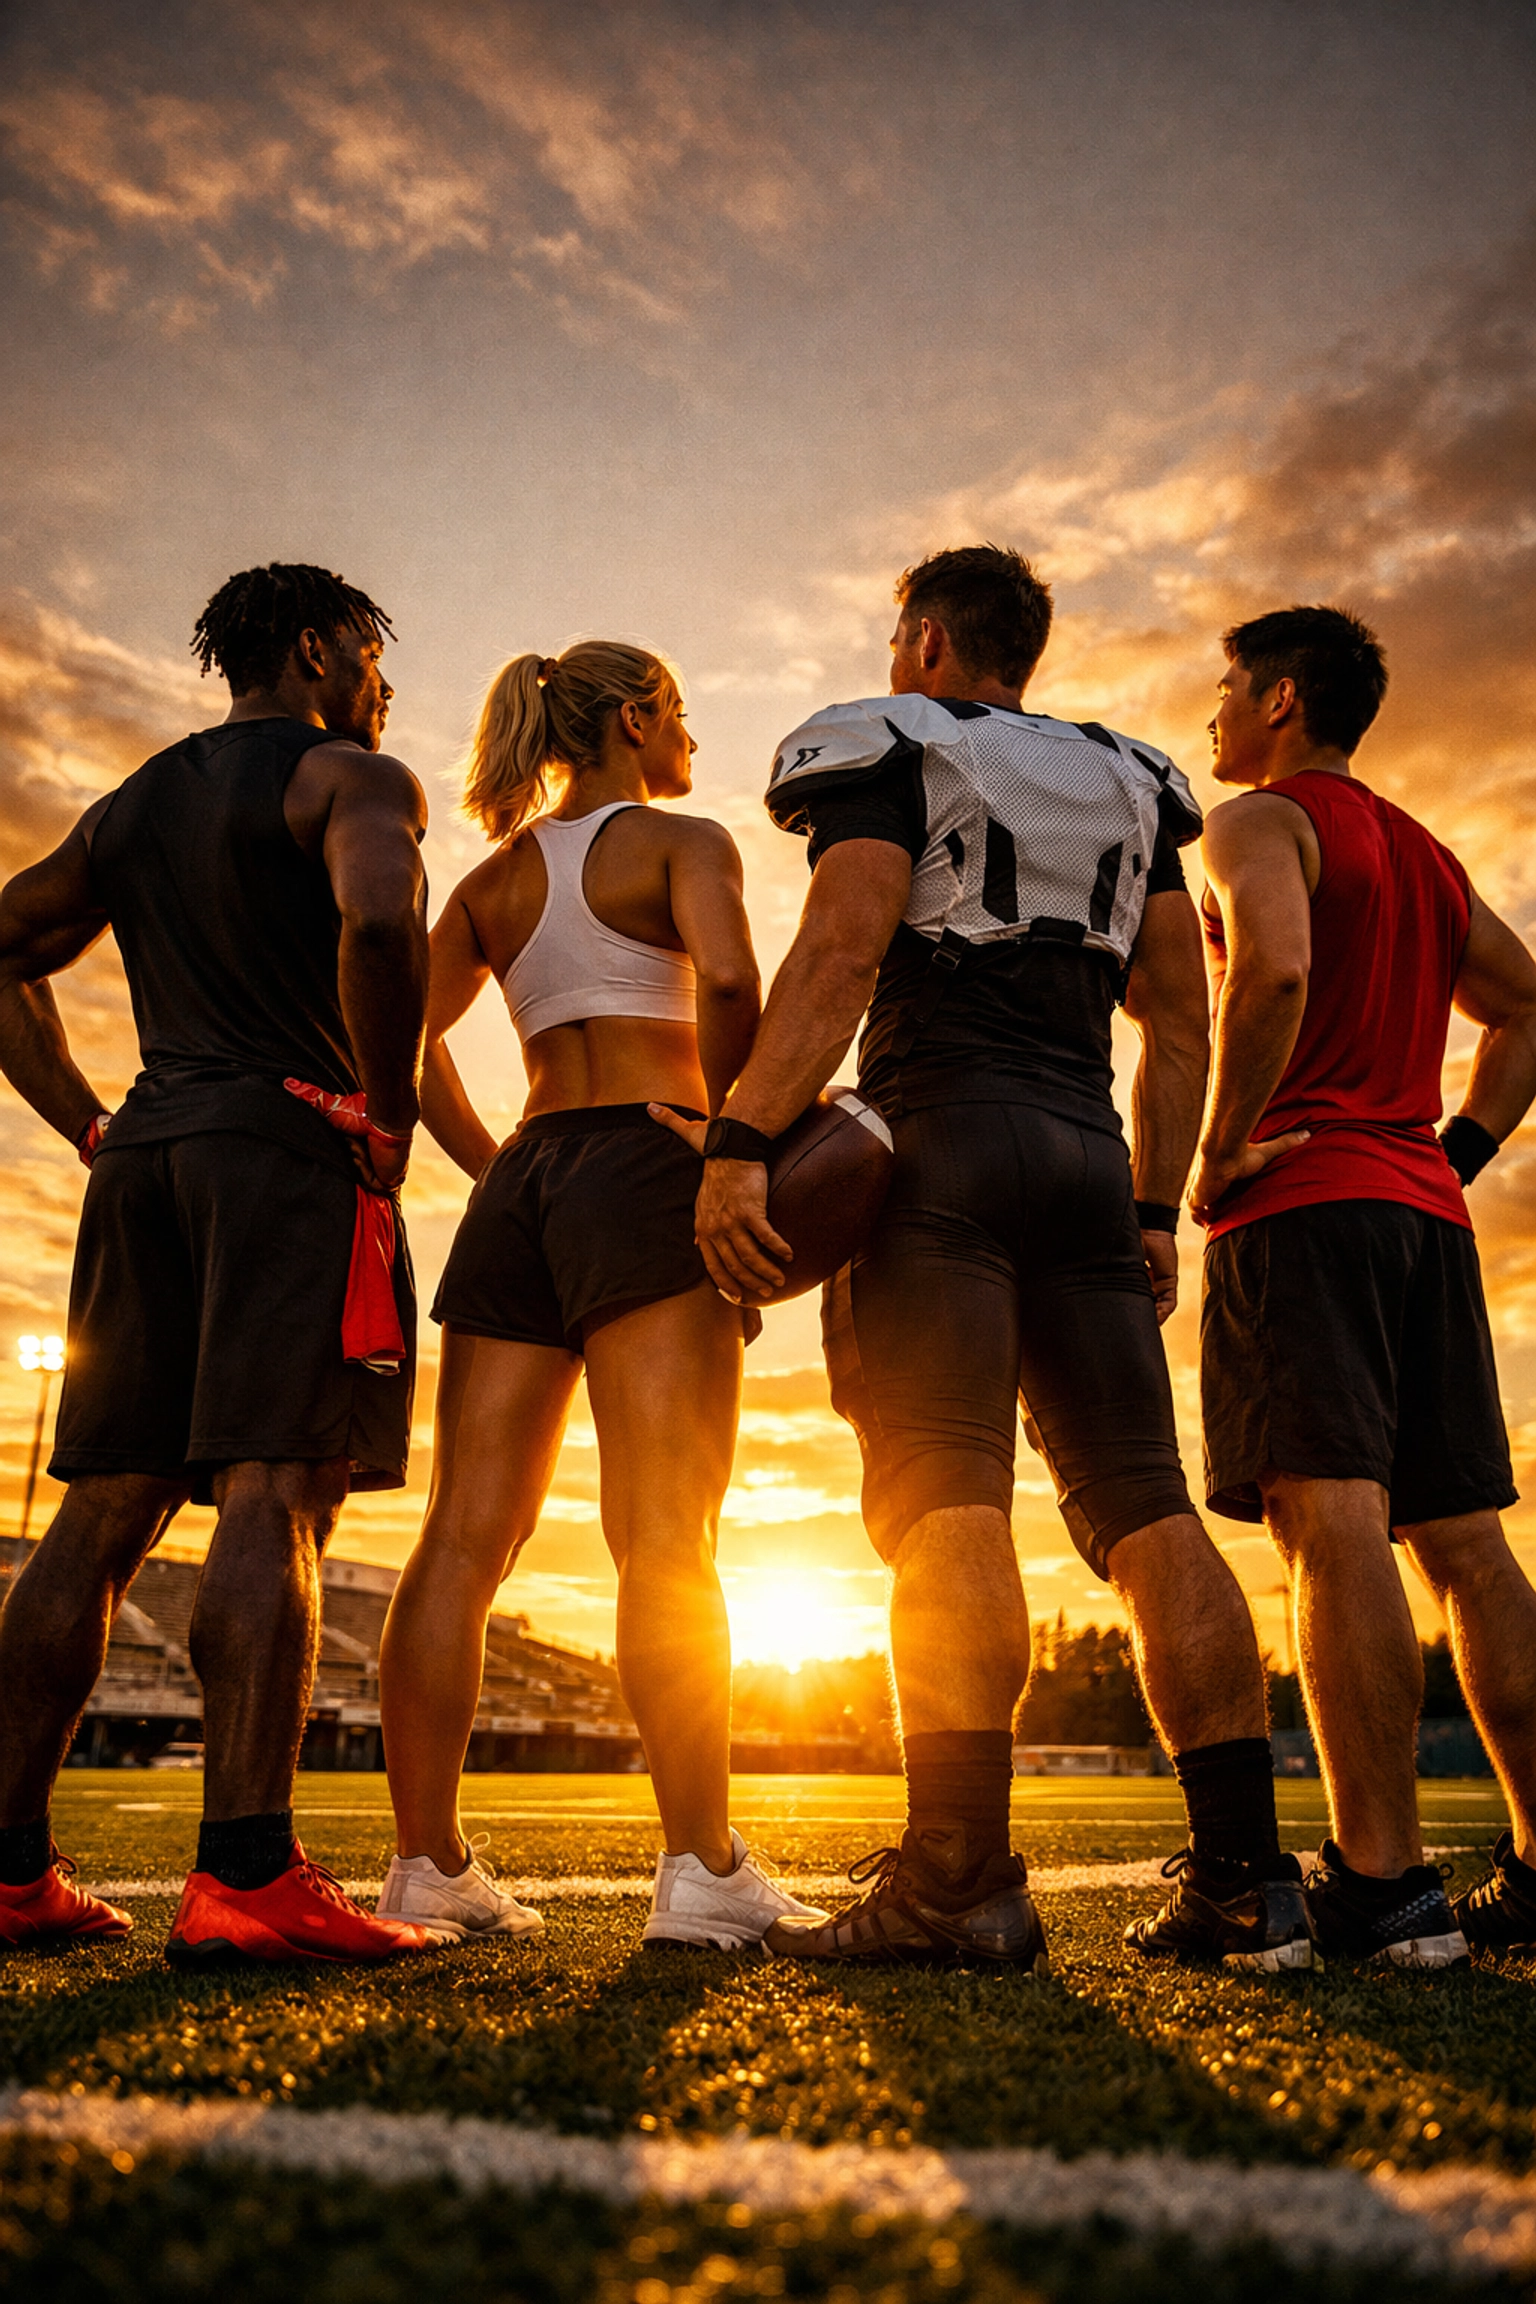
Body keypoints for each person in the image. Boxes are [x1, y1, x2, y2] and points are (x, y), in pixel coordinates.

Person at [655, 545, 1309, 1970]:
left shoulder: (895, 739)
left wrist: (740, 1139)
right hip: (1085, 1154)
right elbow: (1179, 1021)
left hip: (939, 1146)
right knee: (1149, 1509)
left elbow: (842, 949)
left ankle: (957, 1877)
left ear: (930, 641)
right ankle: (1249, 1884)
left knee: (946, 1495)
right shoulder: (1131, 778)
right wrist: (1151, 1211)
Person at [0, 562, 440, 1962]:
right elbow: (384, 921)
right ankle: (248, 1874)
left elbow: (3, 942)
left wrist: (88, 1121)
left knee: (101, 1511)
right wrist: (387, 1113)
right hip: (282, 1152)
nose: (382, 688)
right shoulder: (353, 778)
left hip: (148, 1154)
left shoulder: (132, 804)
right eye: (370, 658)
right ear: (315, 651)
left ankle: (8, 1872)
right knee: (275, 1487)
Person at [375, 642, 828, 1950]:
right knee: (666, 1533)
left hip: (529, 1177)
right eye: (679, 713)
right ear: (635, 719)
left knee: (462, 1536)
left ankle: (424, 1865)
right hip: (650, 1161)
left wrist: (492, 1164)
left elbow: (397, 1035)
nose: (689, 738)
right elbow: (732, 983)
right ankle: (703, 1869)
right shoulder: (685, 844)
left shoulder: (491, 882)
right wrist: (733, 1142)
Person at [1192, 604, 1536, 1964]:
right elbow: (1528, 1006)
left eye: (1228, 688)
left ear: (1281, 699)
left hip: (1306, 1204)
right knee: (1468, 1547)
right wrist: (1459, 1149)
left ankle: (1384, 1882)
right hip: (1422, 1219)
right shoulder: (1427, 852)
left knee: (1330, 1529)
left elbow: (1273, 969)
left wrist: (1219, 1147)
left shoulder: (1256, 822)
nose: (1213, 713)